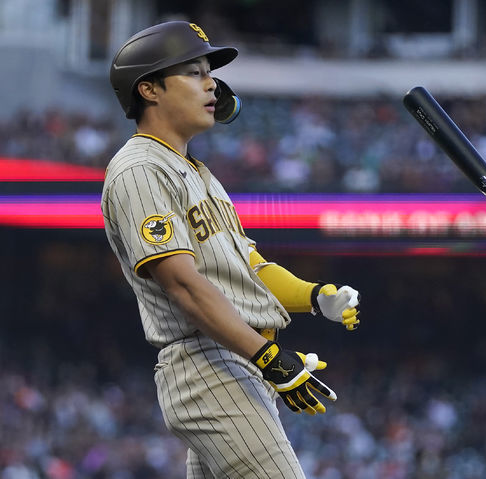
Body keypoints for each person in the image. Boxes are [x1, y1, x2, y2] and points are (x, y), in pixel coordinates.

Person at [101, 21, 360, 478]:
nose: (212, 85)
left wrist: (316, 295)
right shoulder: (139, 168)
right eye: (194, 72)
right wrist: (267, 356)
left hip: (234, 361)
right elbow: (182, 284)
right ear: (149, 89)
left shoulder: (197, 172)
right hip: (210, 363)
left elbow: (251, 268)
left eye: (211, 73)